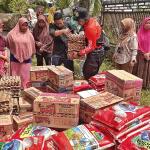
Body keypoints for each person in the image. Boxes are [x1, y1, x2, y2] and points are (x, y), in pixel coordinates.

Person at [71, 7, 109, 80]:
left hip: (96, 52)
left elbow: (91, 47)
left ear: (83, 19)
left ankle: (90, 88)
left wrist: (78, 54)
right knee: (89, 72)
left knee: (88, 74)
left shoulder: (90, 28)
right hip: (98, 48)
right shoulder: (90, 20)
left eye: (78, 21)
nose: (77, 23)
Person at [6, 17, 35, 89]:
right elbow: (8, 43)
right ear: (19, 25)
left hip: (26, 59)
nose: (25, 27)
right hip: (15, 58)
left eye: (26, 25)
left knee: (25, 74)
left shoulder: (29, 34)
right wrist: (15, 51)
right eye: (23, 25)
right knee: (16, 75)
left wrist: (31, 53)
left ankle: (25, 87)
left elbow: (32, 44)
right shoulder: (11, 34)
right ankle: (16, 87)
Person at [133, 17, 150, 89]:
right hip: (140, 55)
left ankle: (146, 85)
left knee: (147, 70)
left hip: (149, 55)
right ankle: (138, 84)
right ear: (143, 23)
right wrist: (143, 53)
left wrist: (148, 53)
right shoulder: (139, 32)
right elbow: (137, 44)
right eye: (147, 23)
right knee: (139, 69)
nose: (148, 25)